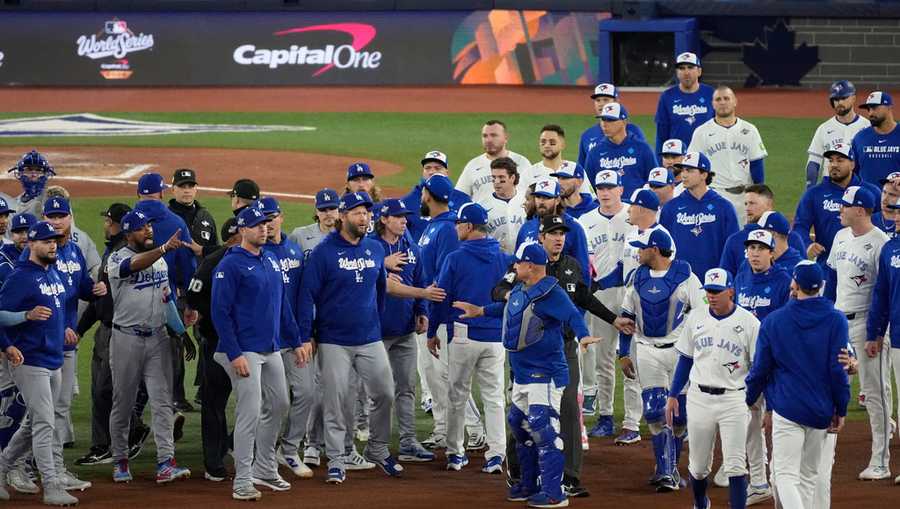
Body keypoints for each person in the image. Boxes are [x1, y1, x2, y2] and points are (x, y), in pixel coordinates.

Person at [493, 215, 635, 498]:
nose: (559, 238)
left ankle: (569, 477)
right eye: (553, 233)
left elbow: (583, 299)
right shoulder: (524, 264)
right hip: (529, 353)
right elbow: (498, 289)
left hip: (565, 349)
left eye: (562, 234)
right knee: (521, 414)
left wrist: (612, 319)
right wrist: (513, 298)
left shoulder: (571, 266)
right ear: (541, 237)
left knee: (569, 409)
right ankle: (520, 472)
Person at [453, 242, 602, 509]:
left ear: (530, 265)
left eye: (518, 263)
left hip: (545, 374)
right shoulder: (522, 289)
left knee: (544, 429)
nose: (514, 266)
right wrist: (480, 311)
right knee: (520, 426)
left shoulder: (552, 293)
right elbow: (511, 310)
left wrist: (584, 336)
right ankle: (529, 484)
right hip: (522, 373)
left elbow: (572, 315)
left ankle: (555, 492)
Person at [297, 191, 403, 485]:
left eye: (367, 213)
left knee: (385, 392)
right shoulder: (323, 253)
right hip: (334, 340)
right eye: (358, 212)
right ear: (343, 216)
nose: (364, 217)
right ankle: (337, 459)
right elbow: (307, 296)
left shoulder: (374, 249)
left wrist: (372, 319)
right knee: (337, 401)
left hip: (369, 336)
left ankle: (378, 449)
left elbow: (381, 289)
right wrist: (308, 334)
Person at [212, 206, 311, 500]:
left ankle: (265, 468)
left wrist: (295, 341)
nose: (264, 229)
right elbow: (220, 312)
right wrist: (235, 353)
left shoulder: (269, 259)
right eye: (256, 226)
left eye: (266, 225)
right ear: (242, 230)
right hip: (244, 352)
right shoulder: (230, 265)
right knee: (249, 413)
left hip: (271, 349)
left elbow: (282, 307)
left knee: (279, 404)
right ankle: (242, 480)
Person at [745, 261, 850, 509]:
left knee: (784, 476)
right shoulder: (837, 320)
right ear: (821, 286)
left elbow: (760, 369)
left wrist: (749, 397)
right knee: (809, 477)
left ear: (794, 285)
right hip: (821, 410)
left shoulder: (774, 321)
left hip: (787, 408)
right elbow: (838, 370)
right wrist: (841, 408)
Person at [426, 202, 513, 473]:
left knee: (457, 396)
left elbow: (440, 298)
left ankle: (455, 453)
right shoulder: (504, 258)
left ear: (467, 226)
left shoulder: (455, 258)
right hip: (496, 337)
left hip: (463, 336)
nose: (455, 229)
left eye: (458, 224)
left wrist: (432, 331)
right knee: (494, 396)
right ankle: (497, 454)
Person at [106, 210, 191, 486]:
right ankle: (120, 459)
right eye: (143, 228)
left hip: (157, 339)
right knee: (124, 401)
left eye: (150, 227)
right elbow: (134, 265)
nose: (149, 231)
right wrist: (164, 248)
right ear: (129, 233)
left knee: (162, 400)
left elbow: (167, 301)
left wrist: (180, 331)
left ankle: (166, 462)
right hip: (126, 340)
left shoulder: (160, 262)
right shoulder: (116, 259)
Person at [618, 228, 706, 492]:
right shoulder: (637, 277)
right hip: (647, 349)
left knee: (679, 415)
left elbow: (703, 316)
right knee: (655, 411)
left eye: (641, 247)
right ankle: (666, 471)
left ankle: (671, 467)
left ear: (654, 250)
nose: (637, 251)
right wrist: (623, 352)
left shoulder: (687, 277)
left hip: (681, 353)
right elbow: (627, 317)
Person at [665, 268, 761, 509]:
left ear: (731, 291)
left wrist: (754, 399)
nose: (712, 296)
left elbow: (759, 366)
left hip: (733, 399)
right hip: (699, 398)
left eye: (717, 291)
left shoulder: (749, 322)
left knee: (736, 466)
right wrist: (674, 394)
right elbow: (685, 358)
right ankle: (701, 502)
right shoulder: (696, 318)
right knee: (697, 468)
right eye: (709, 291)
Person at [0, 221, 80, 506]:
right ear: (32, 244)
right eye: (46, 241)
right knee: (46, 423)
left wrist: (65, 329)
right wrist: (12, 337)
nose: (52, 245)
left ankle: (1, 467)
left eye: (54, 240)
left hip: (53, 358)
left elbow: (57, 311)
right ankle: (52, 486)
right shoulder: (21, 277)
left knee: (35, 423)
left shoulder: (53, 272)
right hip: (29, 360)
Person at [74, 203, 155, 467]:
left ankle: (108, 444)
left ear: (120, 225)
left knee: (105, 390)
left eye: (109, 220)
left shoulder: (121, 256)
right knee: (113, 390)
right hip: (117, 330)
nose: (105, 224)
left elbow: (104, 304)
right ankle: (129, 431)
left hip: (116, 332)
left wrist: (81, 329)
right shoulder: (121, 252)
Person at [826, 185, 892, 481]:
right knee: (830, 386)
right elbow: (832, 280)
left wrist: (876, 334)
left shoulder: (881, 243)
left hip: (867, 325)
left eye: (845, 205)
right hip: (839, 324)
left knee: (874, 393)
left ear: (861, 210)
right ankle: (823, 457)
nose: (840, 209)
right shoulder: (840, 237)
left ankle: (880, 460)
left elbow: (885, 292)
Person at [417, 174, 485, 452]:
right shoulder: (433, 226)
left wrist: (437, 313)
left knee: (447, 374)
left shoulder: (445, 229)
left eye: (423, 193)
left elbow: (445, 276)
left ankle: (475, 429)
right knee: (432, 374)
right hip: (428, 308)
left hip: (442, 314)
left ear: (428, 195)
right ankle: (443, 429)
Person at [577, 170, 641, 443]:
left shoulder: (634, 217)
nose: (604, 192)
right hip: (600, 298)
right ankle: (604, 416)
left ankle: (632, 421)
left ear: (620, 189)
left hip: (632, 295)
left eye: (610, 187)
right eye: (600, 187)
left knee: (632, 360)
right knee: (602, 358)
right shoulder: (585, 221)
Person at [371, 199, 435, 463]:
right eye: (398, 217)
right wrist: (382, 264)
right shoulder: (371, 248)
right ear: (384, 219)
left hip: (406, 330)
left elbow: (420, 280)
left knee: (407, 387)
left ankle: (408, 442)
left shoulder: (411, 249)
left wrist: (422, 311)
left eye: (405, 217)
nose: (404, 221)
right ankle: (377, 445)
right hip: (375, 332)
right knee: (379, 391)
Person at [256, 197, 315, 480]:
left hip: (294, 339)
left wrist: (304, 336)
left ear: (282, 217)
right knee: (271, 402)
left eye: (272, 217)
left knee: (306, 392)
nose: (268, 223)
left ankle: (289, 449)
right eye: (263, 219)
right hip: (266, 342)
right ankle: (262, 456)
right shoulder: (256, 253)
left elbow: (303, 298)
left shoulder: (294, 249)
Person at [731, 229, 790, 503]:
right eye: (750, 248)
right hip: (746, 362)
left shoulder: (783, 281)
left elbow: (787, 323)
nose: (754, 253)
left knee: (779, 422)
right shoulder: (741, 277)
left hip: (775, 362)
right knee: (752, 421)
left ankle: (781, 478)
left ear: (771, 253)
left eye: (760, 248)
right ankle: (758, 481)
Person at [132, 173, 197, 414]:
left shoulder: (130, 222)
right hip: (169, 298)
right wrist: (190, 302)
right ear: (162, 193)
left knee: (133, 363)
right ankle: (172, 405)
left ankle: (134, 416)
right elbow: (188, 264)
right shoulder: (177, 222)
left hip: (132, 302)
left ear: (138, 194)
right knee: (170, 356)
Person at [186, 218, 240, 482]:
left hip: (246, 345)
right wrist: (205, 323)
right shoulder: (213, 262)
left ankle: (231, 446)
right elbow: (192, 299)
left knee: (261, 401)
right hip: (218, 344)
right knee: (214, 402)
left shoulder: (257, 259)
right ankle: (214, 460)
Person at [792, 141, 880, 301]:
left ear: (852, 164)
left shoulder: (870, 192)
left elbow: (882, 222)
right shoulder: (814, 194)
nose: (833, 165)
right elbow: (800, 226)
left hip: (864, 268)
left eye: (840, 160)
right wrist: (807, 244)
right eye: (831, 160)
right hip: (826, 268)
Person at [687, 86, 767, 225]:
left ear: (735, 101)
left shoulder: (750, 130)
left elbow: (757, 165)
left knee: (746, 239)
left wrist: (759, 194)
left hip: (745, 195)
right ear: (712, 104)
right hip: (716, 195)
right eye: (718, 99)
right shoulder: (702, 132)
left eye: (726, 98)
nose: (722, 102)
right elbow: (693, 166)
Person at [660, 152, 739, 280]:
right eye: (683, 170)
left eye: (690, 170)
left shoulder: (724, 207)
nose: (684, 174)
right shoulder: (671, 208)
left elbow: (733, 248)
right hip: (679, 281)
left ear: (704, 174)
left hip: (714, 282)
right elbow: (663, 248)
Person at [868, 194, 900, 485]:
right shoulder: (890, 249)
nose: (896, 217)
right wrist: (874, 332)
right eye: (896, 211)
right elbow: (880, 295)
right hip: (897, 335)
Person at [516, 177, 590, 285]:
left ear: (557, 200)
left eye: (546, 197)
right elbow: (517, 263)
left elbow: (583, 270)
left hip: (561, 292)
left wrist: (581, 299)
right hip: (531, 293)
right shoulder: (527, 227)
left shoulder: (573, 227)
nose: (541, 202)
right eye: (538, 197)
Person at [719, 184, 805, 276]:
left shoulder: (790, 237)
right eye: (746, 204)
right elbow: (726, 278)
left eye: (752, 203)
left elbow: (804, 271)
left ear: (769, 205)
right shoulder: (734, 240)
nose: (747, 208)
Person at [583, 102, 657, 198]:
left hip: (636, 207)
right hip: (608, 209)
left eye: (610, 120)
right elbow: (589, 187)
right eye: (602, 120)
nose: (604, 124)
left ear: (624, 121)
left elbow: (654, 180)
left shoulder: (642, 148)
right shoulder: (595, 152)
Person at [805, 80, 870, 188]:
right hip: (830, 188)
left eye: (844, 98)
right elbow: (814, 162)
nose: (839, 103)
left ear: (853, 98)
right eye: (836, 99)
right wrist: (810, 188)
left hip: (859, 188)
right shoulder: (824, 128)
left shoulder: (867, 126)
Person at [457, 120, 531, 204]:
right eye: (485, 136)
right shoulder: (473, 165)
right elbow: (459, 197)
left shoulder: (522, 162)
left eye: (494, 135)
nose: (488, 140)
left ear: (505, 137)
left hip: (514, 215)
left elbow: (533, 194)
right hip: (483, 216)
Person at [654, 52, 715, 154]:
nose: (686, 72)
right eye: (681, 68)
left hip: (706, 156)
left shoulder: (711, 94)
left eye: (690, 67)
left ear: (699, 71)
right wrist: (660, 161)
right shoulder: (667, 97)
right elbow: (661, 135)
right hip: (677, 157)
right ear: (677, 72)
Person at [578, 84, 647, 170]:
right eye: (598, 100)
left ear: (616, 102)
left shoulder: (633, 130)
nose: (601, 104)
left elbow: (644, 159)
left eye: (606, 100)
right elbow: (582, 169)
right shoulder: (587, 135)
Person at [852, 91, 900, 188]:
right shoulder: (860, 138)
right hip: (868, 201)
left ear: (889, 108)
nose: (870, 113)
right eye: (868, 109)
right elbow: (853, 173)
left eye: (874, 108)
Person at [480, 157, 527, 254]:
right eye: (494, 178)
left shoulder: (526, 200)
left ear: (512, 178)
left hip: (524, 261)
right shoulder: (482, 205)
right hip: (495, 260)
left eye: (501, 178)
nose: (496, 182)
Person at [168, 168, 218, 258]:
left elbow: (214, 252)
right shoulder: (166, 216)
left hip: (202, 271)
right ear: (173, 189)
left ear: (196, 189)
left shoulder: (206, 216)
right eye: (182, 186)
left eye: (190, 186)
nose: (187, 191)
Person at [532, 125, 592, 195]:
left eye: (552, 142)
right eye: (543, 142)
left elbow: (590, 198)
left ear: (562, 145)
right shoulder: (529, 173)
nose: (547, 145)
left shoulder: (575, 169)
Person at [289, 188, 340, 259]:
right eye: (323, 210)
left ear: (339, 209)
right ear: (316, 211)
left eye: (332, 208)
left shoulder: (350, 235)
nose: (328, 213)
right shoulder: (299, 235)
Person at [5, 150, 55, 219]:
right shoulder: (14, 203)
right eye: (28, 169)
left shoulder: (53, 199)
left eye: (38, 170)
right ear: (20, 173)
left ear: (45, 173)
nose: (34, 174)